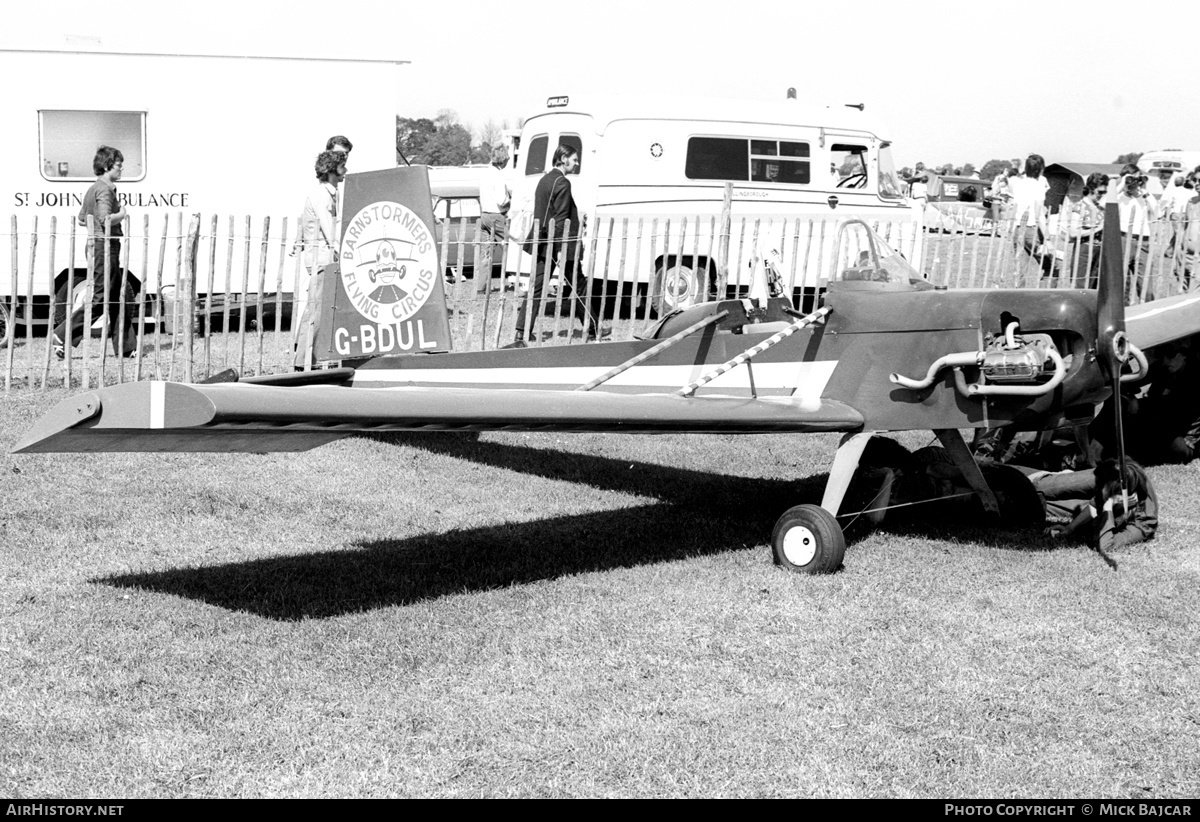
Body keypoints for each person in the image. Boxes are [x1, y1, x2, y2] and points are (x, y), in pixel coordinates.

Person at [508, 143, 596, 347]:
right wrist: (561, 249)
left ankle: (522, 331)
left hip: (543, 241)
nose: (576, 163)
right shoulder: (563, 182)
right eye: (574, 159)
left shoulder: (544, 180)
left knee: (537, 287)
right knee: (579, 285)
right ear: (563, 159)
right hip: (559, 245)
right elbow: (562, 218)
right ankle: (591, 328)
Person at [53, 145, 136, 358]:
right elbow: (105, 219)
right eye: (118, 165)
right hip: (104, 247)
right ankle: (62, 334)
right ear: (108, 166)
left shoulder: (93, 189)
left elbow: (83, 219)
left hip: (98, 245)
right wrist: (122, 214)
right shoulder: (104, 190)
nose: (121, 169)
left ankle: (126, 348)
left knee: (118, 297)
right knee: (101, 299)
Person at [293, 150, 347, 368]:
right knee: (317, 309)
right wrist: (341, 249)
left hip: (323, 257)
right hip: (321, 258)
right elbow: (328, 228)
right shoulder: (322, 195)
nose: (346, 170)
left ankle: (313, 357)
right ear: (333, 170)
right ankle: (303, 361)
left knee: (321, 308)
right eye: (343, 166)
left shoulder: (330, 192)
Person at [1036, 458, 1158, 553]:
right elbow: (1096, 502)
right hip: (1110, 477)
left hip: (1113, 495)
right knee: (1046, 486)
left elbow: (1106, 546)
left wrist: (1108, 505)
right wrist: (1070, 527)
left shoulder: (1143, 522)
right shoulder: (1123, 477)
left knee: (1043, 506)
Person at [1117, 170, 1161, 301]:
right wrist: (1122, 183)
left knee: (1146, 282)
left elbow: (1158, 213)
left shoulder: (1145, 197)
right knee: (1123, 281)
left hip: (1143, 241)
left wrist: (1145, 192)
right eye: (1132, 180)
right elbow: (1107, 201)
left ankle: (1147, 307)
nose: (1135, 184)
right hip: (1125, 239)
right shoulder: (1119, 197)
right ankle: (1124, 309)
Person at [1006, 154, 1049, 273]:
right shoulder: (1038, 186)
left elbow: (1015, 206)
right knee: (1052, 266)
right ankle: (1047, 291)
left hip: (1018, 229)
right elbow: (1039, 215)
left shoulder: (1018, 184)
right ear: (1040, 169)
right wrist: (1048, 238)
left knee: (1020, 269)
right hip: (1031, 229)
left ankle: (1018, 290)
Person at [476, 146, 510, 294]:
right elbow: (502, 200)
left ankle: (480, 286)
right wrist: (510, 201)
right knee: (510, 247)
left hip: (484, 215)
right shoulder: (499, 176)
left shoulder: (485, 174)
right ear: (503, 160)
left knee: (486, 252)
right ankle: (514, 280)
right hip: (497, 215)